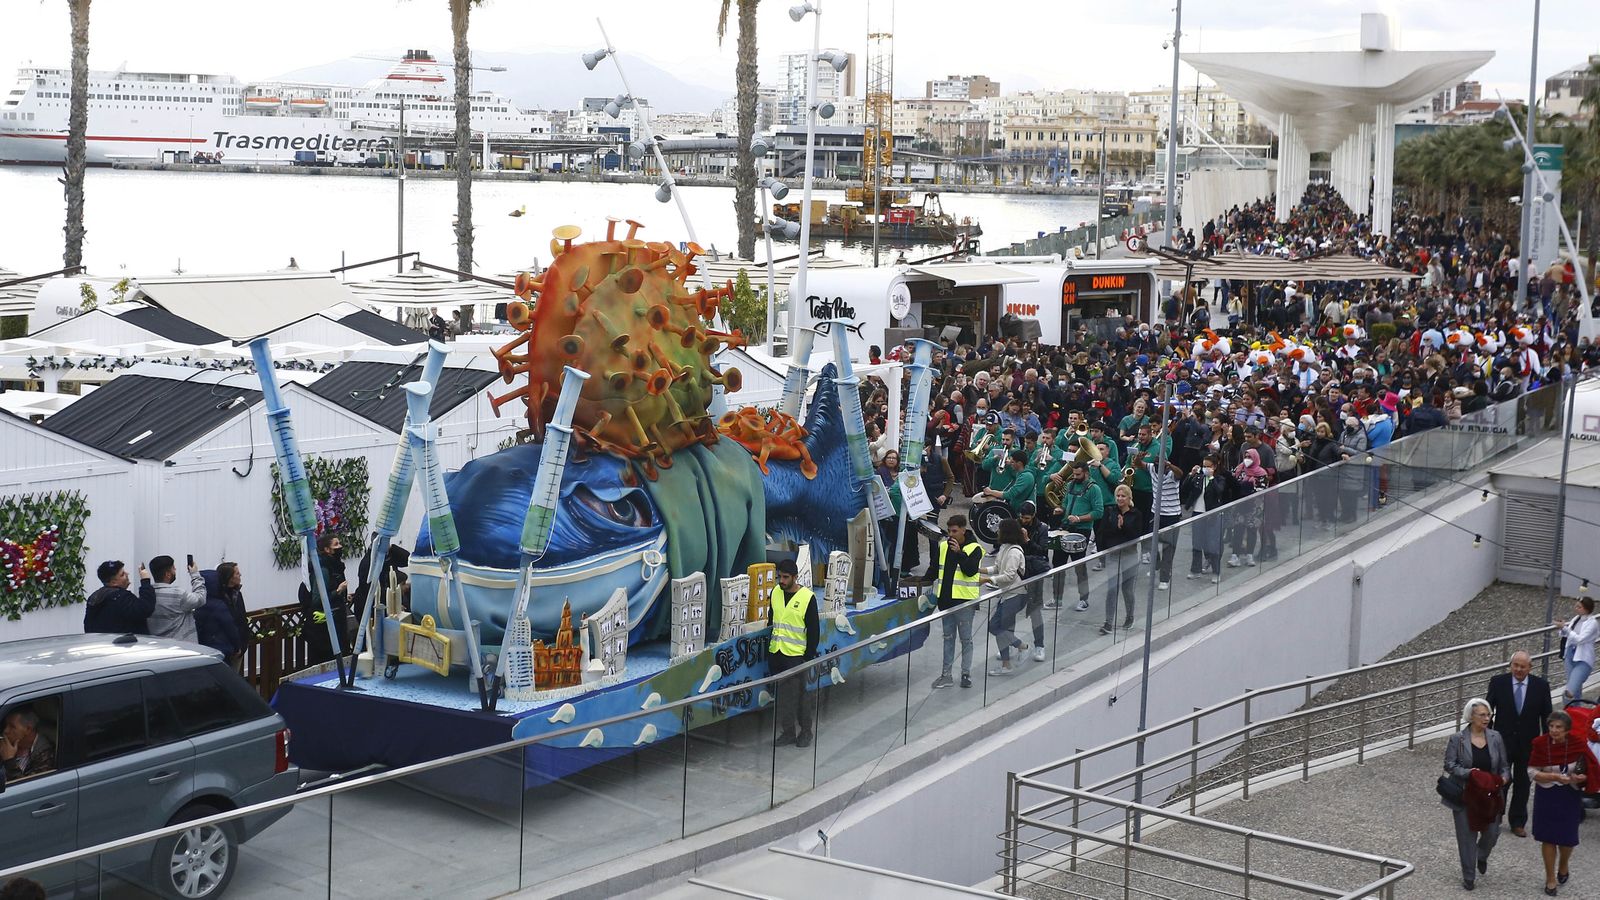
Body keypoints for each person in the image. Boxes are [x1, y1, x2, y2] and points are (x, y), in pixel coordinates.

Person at [1441, 698, 1509, 890]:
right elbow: (1449, 765)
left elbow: (1504, 766)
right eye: (1482, 715)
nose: (1487, 718)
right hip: (1466, 794)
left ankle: (1481, 855)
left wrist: (1503, 779)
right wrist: (1470, 773)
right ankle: (1469, 876)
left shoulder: (1495, 737)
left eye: (1489, 715)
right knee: (1466, 837)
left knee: (1492, 833)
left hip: (1490, 795)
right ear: (1471, 717)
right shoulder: (1458, 739)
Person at [1486, 650, 1553, 836]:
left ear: (1530, 668)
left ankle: (1518, 821)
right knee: (1501, 781)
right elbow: (1487, 710)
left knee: (1523, 784)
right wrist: (1487, 735)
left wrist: (1548, 743)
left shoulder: (1541, 686)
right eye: (1515, 665)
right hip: (1503, 742)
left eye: (1523, 666)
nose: (1518, 669)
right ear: (1511, 665)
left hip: (1529, 743)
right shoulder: (1498, 682)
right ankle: (1496, 815)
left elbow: (1546, 716)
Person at [1530, 710, 1597, 895]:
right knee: (1548, 838)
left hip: (1569, 795)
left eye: (1558, 727)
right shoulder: (1540, 744)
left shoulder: (1577, 744)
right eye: (1551, 726)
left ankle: (1564, 864)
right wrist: (1552, 776)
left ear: (1567, 729)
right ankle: (1550, 878)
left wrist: (1579, 777)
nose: (1554, 730)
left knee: (1567, 840)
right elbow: (1531, 770)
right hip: (1547, 795)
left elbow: (1589, 768)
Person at [765, 559, 819, 748]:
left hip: (796, 656)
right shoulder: (775, 593)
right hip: (777, 653)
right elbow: (772, 621)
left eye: (785, 577)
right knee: (783, 697)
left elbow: (814, 631)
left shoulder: (807, 598)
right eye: (779, 576)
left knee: (801, 696)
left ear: (795, 577)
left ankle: (806, 732)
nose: (781, 580)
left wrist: (808, 656)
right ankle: (787, 732)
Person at [929, 516, 983, 690]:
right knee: (948, 638)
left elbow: (970, 571)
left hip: (965, 601)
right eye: (949, 531)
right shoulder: (943, 546)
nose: (951, 535)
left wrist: (959, 553)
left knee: (966, 639)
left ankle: (965, 674)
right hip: (946, 601)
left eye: (954, 531)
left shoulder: (975, 548)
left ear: (963, 530)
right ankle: (946, 675)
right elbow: (934, 569)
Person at [1050, 460, 1103, 612]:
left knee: (1079, 566)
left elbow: (1099, 512)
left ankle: (1084, 599)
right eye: (1073, 474)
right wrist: (1061, 509)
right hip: (1065, 527)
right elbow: (1066, 503)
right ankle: (1057, 598)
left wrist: (1079, 518)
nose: (1074, 476)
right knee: (1058, 565)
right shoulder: (1071, 485)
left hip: (1081, 530)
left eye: (1078, 474)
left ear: (1086, 473)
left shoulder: (1094, 489)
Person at [980, 519, 1029, 676]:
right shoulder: (1004, 548)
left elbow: (1008, 575)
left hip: (1016, 594)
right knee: (1001, 628)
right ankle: (1006, 664)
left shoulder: (1014, 552)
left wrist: (988, 580)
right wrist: (981, 570)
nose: (997, 532)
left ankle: (1022, 646)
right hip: (1007, 594)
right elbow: (997, 567)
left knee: (996, 627)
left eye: (1000, 529)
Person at [1099, 484, 1148, 636]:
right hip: (1113, 554)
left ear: (1129, 498)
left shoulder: (1136, 514)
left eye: (1123, 496)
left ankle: (1129, 617)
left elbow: (1136, 535)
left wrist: (1123, 526)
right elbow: (1103, 532)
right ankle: (1108, 622)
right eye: (1118, 496)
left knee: (1127, 589)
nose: (1120, 499)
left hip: (1129, 555)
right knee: (1112, 588)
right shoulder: (1110, 511)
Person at [144, 554, 206, 643]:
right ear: (168, 574)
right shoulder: (177, 594)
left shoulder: (147, 594)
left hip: (157, 645)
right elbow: (200, 598)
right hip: (180, 647)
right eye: (173, 568)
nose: (175, 570)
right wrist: (195, 575)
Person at [82, 559, 155, 635]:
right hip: (125, 644)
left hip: (101, 643)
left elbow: (88, 627)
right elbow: (145, 608)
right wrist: (145, 581)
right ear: (113, 582)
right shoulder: (121, 597)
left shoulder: (95, 597)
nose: (127, 574)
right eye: (122, 574)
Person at [194, 564, 245, 666]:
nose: (240, 575)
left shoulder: (199, 605)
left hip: (205, 649)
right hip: (223, 650)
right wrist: (237, 646)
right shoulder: (219, 605)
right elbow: (230, 626)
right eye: (236, 573)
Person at [0, 705, 55, 784]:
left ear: (28, 729)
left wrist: (9, 761)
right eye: (6, 725)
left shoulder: (45, 754)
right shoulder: (6, 744)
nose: (6, 730)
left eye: (12, 726)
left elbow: (25, 788)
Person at [1559, 597, 1597, 702]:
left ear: (1587, 609)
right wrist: (1562, 628)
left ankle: (1567, 714)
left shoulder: (1592, 623)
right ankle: (1575, 715)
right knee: (1576, 691)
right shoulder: (1576, 618)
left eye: (1579, 607)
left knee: (1569, 692)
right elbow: (1568, 634)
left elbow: (1580, 639)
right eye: (1576, 606)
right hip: (1570, 655)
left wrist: (1565, 628)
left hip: (1583, 660)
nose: (1576, 608)